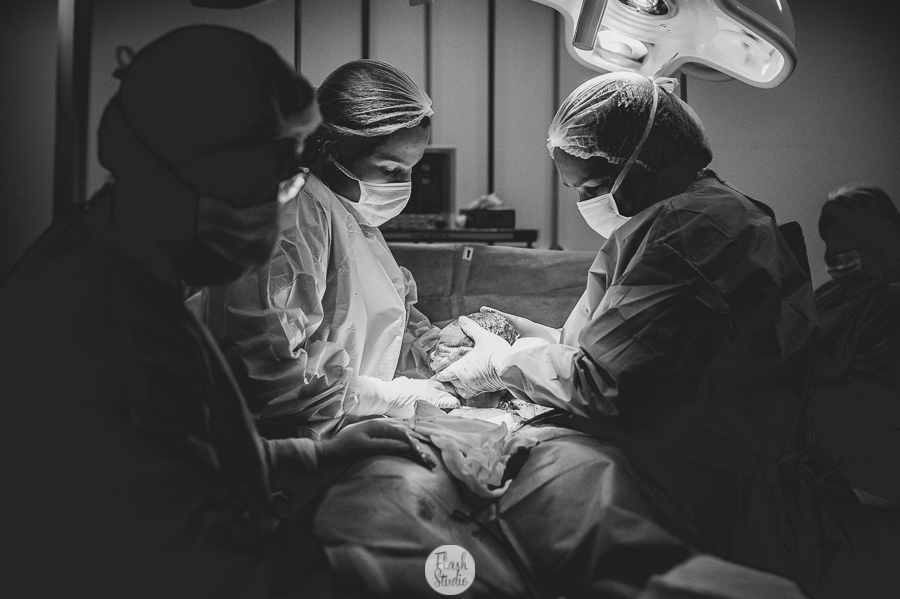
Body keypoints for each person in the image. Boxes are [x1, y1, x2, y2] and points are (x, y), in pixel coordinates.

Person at [0, 26, 432, 599]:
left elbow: (195, 457)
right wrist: (390, 577)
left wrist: (317, 455)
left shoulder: (133, 270)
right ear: (173, 171)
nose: (283, 203)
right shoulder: (105, 314)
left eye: (290, 175)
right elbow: (167, 547)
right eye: (263, 181)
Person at [436, 72, 842, 593]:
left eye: (591, 187)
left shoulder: (691, 232)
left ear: (646, 159)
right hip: (693, 473)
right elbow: (611, 346)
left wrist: (505, 362)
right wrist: (515, 333)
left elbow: (607, 386)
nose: (585, 201)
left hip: (706, 491)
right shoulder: (684, 218)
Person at [195, 59, 457, 441]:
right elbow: (271, 369)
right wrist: (388, 396)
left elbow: (377, 311)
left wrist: (434, 349)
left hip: (324, 430)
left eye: (411, 169)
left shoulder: (339, 208)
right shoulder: (291, 213)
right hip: (269, 447)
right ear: (330, 145)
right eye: (390, 170)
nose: (404, 185)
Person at [809, 183, 900, 506]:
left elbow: (872, 396)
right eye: (828, 246)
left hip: (867, 473)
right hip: (821, 453)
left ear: (883, 239)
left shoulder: (890, 300)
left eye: (842, 244)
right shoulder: (830, 293)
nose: (831, 257)